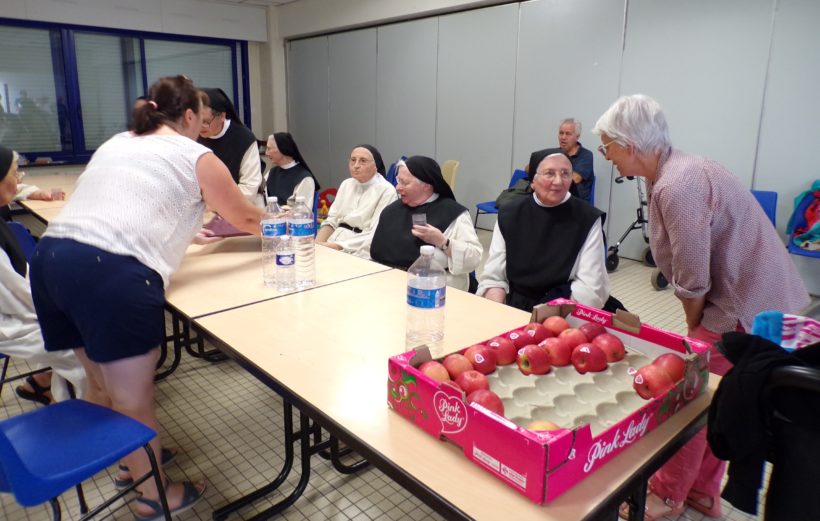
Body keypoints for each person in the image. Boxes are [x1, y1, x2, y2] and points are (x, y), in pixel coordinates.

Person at [28, 76, 264, 519]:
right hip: (108, 272)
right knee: (133, 399)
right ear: (191, 116)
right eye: (203, 118)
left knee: (100, 383)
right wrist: (297, 230)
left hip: (53, 259)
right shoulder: (196, 154)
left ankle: (128, 464)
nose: (205, 127)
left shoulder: (118, 141)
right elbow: (247, 216)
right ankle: (153, 495)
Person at [593, 94, 810, 521]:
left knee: (689, 399)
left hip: (745, 306)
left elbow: (693, 278)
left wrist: (694, 330)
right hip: (760, 299)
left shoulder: (678, 184)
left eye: (607, 146)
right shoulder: (676, 169)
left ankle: (668, 496)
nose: (606, 156)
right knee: (721, 397)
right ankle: (702, 493)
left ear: (630, 145)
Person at [0, 145, 86, 404]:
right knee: (86, 354)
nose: (19, 181)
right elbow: (17, 298)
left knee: (81, 331)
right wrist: (59, 308)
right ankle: (93, 426)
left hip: (17, 306)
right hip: (9, 322)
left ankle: (63, 398)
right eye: (15, 174)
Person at [477, 153, 609, 311]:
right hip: (516, 304)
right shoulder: (510, 213)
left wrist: (546, 322)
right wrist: (498, 312)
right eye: (550, 173)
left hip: (564, 306)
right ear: (533, 181)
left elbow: (589, 286)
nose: (558, 181)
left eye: (565, 173)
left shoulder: (587, 218)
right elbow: (494, 275)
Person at [367, 156, 482, 291]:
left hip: (434, 291)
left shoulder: (453, 214)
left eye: (404, 183)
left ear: (426, 186)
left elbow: (474, 258)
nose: (397, 187)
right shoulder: (391, 211)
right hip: (386, 285)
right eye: (398, 181)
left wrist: (443, 242)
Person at [316, 144, 397, 256]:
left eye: (363, 161)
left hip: (361, 248)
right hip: (334, 241)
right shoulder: (346, 184)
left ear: (375, 166)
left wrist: (337, 246)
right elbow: (332, 220)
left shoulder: (387, 190)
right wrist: (317, 244)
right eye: (353, 160)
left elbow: (375, 233)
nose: (356, 165)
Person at [198, 88, 265, 207]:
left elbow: (249, 187)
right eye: (196, 120)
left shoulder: (244, 139)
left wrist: (215, 204)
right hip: (203, 210)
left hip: (239, 208)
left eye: (206, 121)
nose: (200, 127)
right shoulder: (192, 136)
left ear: (222, 116)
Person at [528, 118, 595, 203]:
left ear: (577, 137)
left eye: (568, 134)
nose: (563, 137)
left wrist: (547, 173)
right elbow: (530, 167)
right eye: (561, 133)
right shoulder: (554, 153)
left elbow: (574, 179)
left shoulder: (586, 155)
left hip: (576, 203)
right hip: (553, 199)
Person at [264, 132, 320, 208]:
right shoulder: (271, 173)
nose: (266, 153)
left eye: (269, 148)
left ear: (282, 149)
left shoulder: (304, 179)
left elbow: (303, 213)